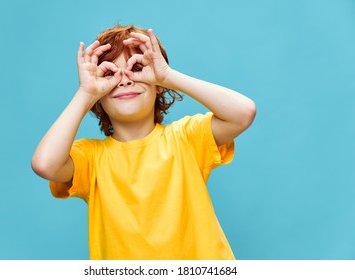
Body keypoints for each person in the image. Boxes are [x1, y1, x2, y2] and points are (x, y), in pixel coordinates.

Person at [31, 25, 256, 260]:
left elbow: (243, 112)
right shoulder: (91, 158)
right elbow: (45, 164)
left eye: (136, 68)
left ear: (158, 87)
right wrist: (86, 93)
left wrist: (167, 76)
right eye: (110, 74)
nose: (125, 80)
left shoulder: (186, 138)